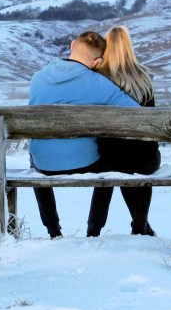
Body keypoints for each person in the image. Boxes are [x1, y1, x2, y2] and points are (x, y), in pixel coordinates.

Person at [28, 30, 140, 238]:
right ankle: (93, 230)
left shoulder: (37, 79)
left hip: (44, 165)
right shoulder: (99, 84)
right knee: (110, 163)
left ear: (72, 45)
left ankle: (53, 230)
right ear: (97, 62)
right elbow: (137, 115)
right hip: (85, 163)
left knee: (35, 159)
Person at [88, 25, 160, 237]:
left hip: (110, 158)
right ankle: (140, 227)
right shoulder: (144, 78)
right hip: (144, 159)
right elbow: (152, 124)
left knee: (115, 166)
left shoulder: (98, 78)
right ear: (129, 47)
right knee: (137, 165)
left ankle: (93, 230)